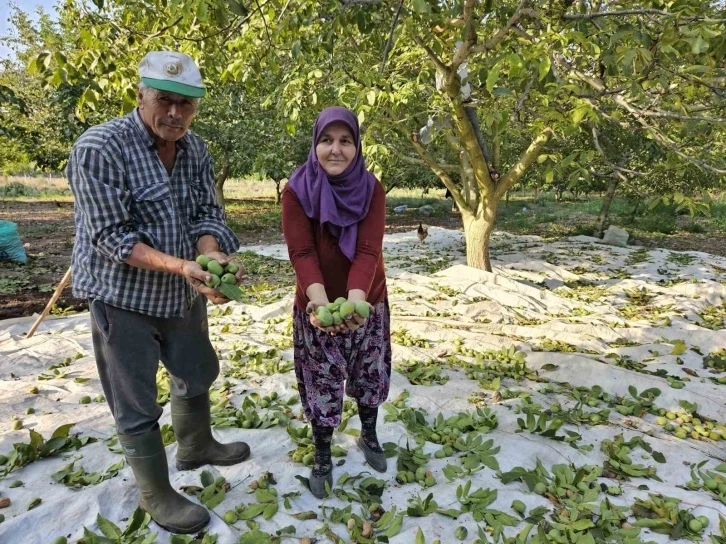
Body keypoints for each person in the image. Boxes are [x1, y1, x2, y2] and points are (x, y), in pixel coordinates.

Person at [66, 51, 250, 534]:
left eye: (186, 105)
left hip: (180, 293)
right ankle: (155, 493)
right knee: (136, 399)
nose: (175, 114)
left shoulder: (195, 151)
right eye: (164, 101)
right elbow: (111, 236)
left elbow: (207, 215)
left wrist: (212, 257)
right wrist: (182, 265)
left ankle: (196, 445)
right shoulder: (99, 148)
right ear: (140, 96)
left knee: (195, 368)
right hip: (122, 295)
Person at [281, 106, 392, 499]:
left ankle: (369, 434)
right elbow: (302, 252)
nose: (335, 149)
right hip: (315, 303)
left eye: (346, 141)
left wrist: (355, 303)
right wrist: (320, 303)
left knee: (368, 372)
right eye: (327, 140)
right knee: (322, 380)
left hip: (368, 299)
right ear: (315, 144)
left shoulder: (371, 188)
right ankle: (323, 451)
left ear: (357, 146)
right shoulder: (296, 190)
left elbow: (367, 250)